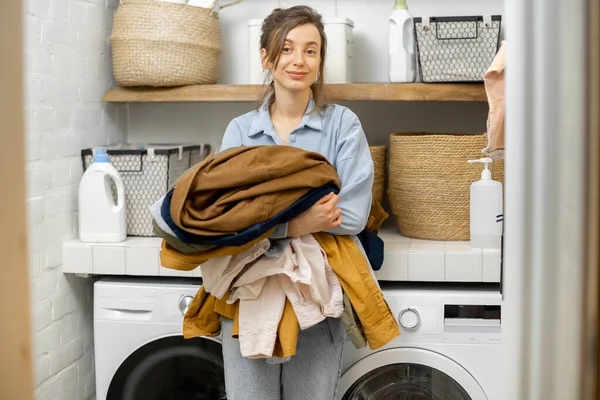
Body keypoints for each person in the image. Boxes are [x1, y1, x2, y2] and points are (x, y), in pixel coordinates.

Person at [218, 5, 375, 400]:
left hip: (318, 301)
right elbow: (227, 219)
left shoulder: (342, 124)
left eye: (311, 50)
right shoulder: (240, 131)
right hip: (249, 293)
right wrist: (299, 223)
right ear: (266, 57)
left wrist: (265, 219)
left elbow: (352, 214)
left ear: (321, 61)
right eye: (286, 49)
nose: (299, 61)